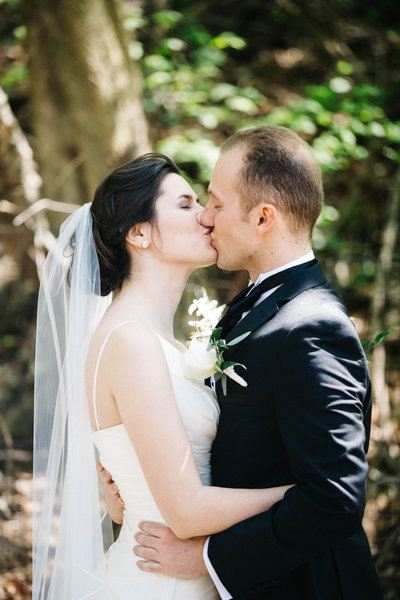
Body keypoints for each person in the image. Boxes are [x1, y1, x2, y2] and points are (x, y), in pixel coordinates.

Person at [121, 127, 382, 599]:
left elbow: (334, 498)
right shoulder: (253, 306)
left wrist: (208, 557)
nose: (206, 215)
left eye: (217, 204)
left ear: (263, 218)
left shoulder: (312, 326)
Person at [33, 153, 293, 600]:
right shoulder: (130, 343)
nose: (207, 218)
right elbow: (188, 511)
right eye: (186, 205)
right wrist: (303, 494)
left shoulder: (158, 340)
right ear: (138, 233)